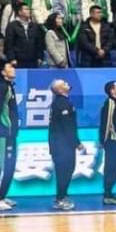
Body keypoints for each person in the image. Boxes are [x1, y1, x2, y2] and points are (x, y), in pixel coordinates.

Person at [0, 61, 19, 211]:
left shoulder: (9, 86)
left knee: (10, 166)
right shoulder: (2, 87)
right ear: (3, 72)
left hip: (10, 134)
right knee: (2, 166)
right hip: (3, 135)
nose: (13, 69)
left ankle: (2, 195)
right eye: (9, 67)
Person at [48, 79, 80, 212]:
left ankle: (63, 195)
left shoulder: (63, 102)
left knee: (68, 170)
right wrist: (76, 142)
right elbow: (67, 126)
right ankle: (60, 198)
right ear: (60, 89)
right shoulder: (61, 104)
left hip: (63, 144)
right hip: (61, 145)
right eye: (65, 83)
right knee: (63, 171)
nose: (68, 84)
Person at [99, 81, 116, 205]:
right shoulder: (110, 103)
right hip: (111, 141)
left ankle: (109, 193)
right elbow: (107, 122)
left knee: (114, 168)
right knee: (111, 167)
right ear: (112, 90)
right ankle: (107, 195)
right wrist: (104, 140)